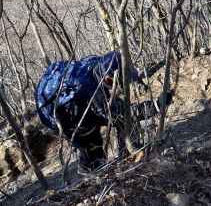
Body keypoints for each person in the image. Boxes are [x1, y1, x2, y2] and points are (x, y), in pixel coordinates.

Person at [35, 51, 172, 173]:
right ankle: (94, 173)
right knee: (93, 142)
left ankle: (126, 154)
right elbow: (124, 115)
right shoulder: (92, 92)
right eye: (121, 81)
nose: (123, 86)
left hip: (62, 103)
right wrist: (157, 105)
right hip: (60, 116)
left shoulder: (95, 63)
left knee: (103, 124)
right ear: (109, 78)